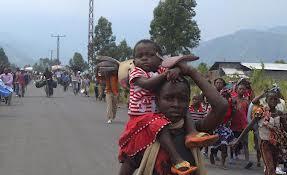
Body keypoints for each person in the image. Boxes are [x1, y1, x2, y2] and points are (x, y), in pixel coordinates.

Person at [118, 40, 221, 175]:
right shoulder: (142, 138)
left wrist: (190, 71)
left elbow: (221, 106)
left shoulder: (194, 131)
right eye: (169, 98)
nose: (176, 104)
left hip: (188, 131)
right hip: (146, 120)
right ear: (157, 99)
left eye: (183, 99)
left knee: (186, 114)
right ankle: (176, 160)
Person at [232, 90, 287, 175]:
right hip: (265, 143)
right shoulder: (260, 112)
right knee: (271, 168)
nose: (273, 101)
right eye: (270, 99)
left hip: (277, 144)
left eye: (275, 99)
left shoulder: (279, 114)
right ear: (266, 100)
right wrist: (238, 140)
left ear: (278, 101)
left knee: (272, 168)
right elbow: (249, 126)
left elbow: (285, 128)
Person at [230, 82, 253, 168]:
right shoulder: (232, 100)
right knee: (232, 141)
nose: (242, 90)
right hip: (233, 124)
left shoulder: (247, 102)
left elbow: (249, 114)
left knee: (245, 143)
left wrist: (249, 124)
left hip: (244, 126)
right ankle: (232, 156)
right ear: (236, 90)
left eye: (243, 89)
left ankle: (247, 161)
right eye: (240, 89)